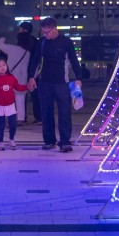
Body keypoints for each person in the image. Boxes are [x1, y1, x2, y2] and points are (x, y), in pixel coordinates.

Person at [26, 17, 82, 152]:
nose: (45, 35)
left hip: (62, 82)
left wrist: (79, 78)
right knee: (46, 112)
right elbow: (35, 60)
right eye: (43, 32)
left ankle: (65, 142)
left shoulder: (66, 42)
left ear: (55, 28)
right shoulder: (42, 42)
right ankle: (49, 141)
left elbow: (74, 61)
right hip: (44, 82)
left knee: (64, 112)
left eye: (47, 32)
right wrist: (31, 78)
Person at [0, 56, 27, 150]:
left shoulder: (11, 77)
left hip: (10, 105)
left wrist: (27, 87)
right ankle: (0, 142)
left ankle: (11, 139)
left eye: (4, 65)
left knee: (13, 124)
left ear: (7, 66)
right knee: (1, 125)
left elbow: (18, 87)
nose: (2, 67)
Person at [0, 33, 31, 122]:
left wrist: (3, 37)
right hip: (23, 78)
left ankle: (10, 119)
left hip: (11, 78)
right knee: (20, 99)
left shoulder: (12, 49)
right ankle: (20, 119)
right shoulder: (27, 53)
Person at [19, 21, 41, 124]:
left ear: (24, 29)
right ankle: (38, 117)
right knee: (35, 96)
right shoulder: (35, 41)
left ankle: (22, 117)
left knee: (21, 95)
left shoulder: (21, 39)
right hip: (33, 71)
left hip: (22, 71)